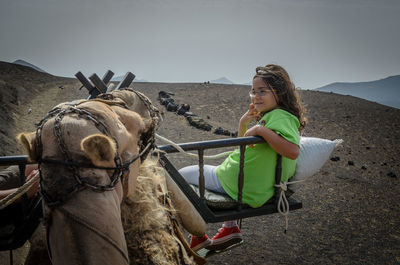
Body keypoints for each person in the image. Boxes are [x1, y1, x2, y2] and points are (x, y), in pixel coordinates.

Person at [179, 64, 306, 252]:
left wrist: (260, 129)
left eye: (262, 91)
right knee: (201, 173)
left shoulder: (281, 116)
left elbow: (293, 151)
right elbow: (243, 147)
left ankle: (200, 237)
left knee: (179, 175)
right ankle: (229, 228)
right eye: (253, 92)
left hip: (234, 183)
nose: (256, 96)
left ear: (279, 92)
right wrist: (244, 123)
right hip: (243, 183)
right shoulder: (273, 116)